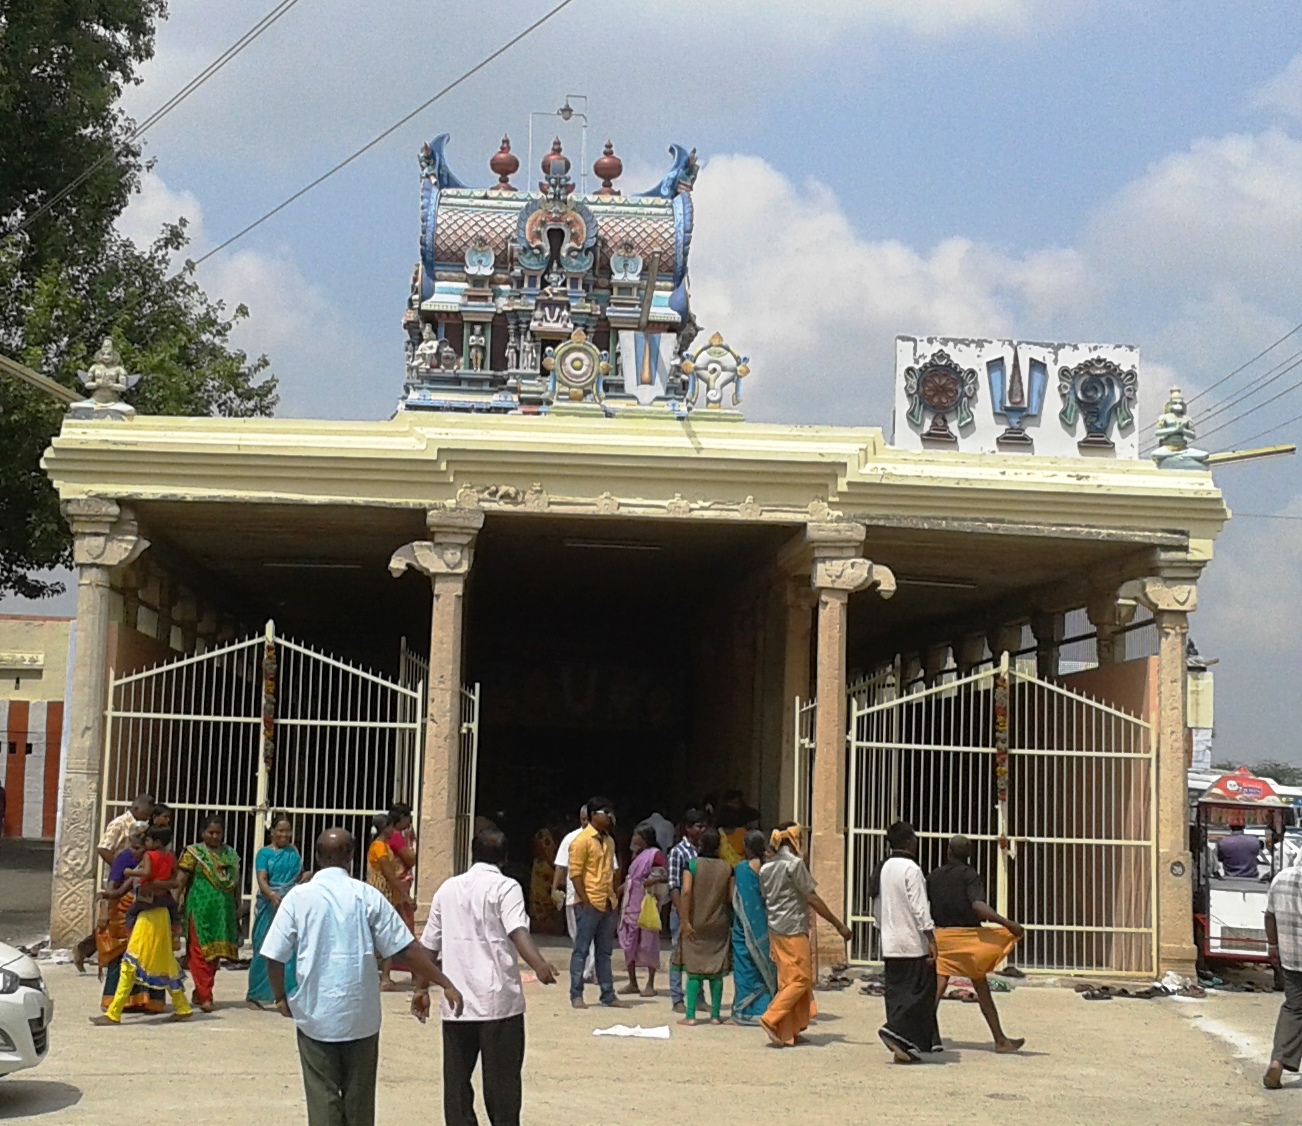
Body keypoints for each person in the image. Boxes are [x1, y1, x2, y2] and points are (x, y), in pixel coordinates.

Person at [262, 828, 463, 1126]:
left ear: (316, 857)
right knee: (359, 1100)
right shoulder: (367, 896)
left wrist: (281, 996)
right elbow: (406, 949)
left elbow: (274, 957)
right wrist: (445, 982)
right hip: (361, 1016)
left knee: (323, 1097)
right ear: (351, 857)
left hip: (316, 1016)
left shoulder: (298, 898)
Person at [414, 828, 557, 1125]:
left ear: (471, 853)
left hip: (456, 1005)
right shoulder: (506, 888)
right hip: (498, 1003)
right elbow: (517, 930)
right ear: (504, 858)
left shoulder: (447, 889)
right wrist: (539, 964)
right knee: (502, 1085)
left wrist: (421, 989)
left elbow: (428, 947)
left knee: (456, 1085)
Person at [926, 834, 1025, 1053]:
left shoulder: (934, 876)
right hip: (969, 939)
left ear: (948, 852)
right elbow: (978, 905)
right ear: (968, 856)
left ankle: (923, 1034)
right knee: (980, 986)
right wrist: (1006, 923)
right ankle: (1000, 1040)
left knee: (938, 988)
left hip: (943, 937)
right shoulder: (969, 875)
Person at [758, 823, 851, 1047]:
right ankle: (771, 1017)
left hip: (775, 930)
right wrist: (839, 925)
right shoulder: (795, 865)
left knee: (787, 980)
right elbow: (812, 898)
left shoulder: (766, 868)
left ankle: (788, 1031)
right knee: (801, 979)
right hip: (793, 930)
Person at [100, 826, 191, 1024]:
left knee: (130, 962)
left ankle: (113, 1013)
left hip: (148, 916)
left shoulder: (149, 859)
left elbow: (143, 880)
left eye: (144, 843)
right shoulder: (169, 857)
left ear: (153, 843)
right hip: (162, 914)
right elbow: (174, 883)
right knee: (167, 963)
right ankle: (182, 1007)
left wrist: (146, 882)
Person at [875, 821, 940, 1062]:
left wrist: (881, 929)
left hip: (891, 940)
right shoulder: (911, 869)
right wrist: (930, 937)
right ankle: (896, 1031)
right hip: (912, 942)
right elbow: (919, 907)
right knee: (921, 992)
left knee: (896, 992)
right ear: (909, 841)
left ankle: (902, 1044)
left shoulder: (885, 868)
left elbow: (879, 903)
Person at [76, 792, 155, 972]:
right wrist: (121, 867)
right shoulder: (119, 824)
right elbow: (103, 848)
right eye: (146, 812)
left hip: (135, 876)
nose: (147, 816)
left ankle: (91, 950)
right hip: (120, 878)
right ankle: (87, 949)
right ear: (135, 808)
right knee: (115, 920)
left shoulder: (143, 827)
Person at [96, 822, 164, 1015]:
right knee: (120, 956)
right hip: (123, 913)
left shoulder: (157, 859)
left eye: (137, 848)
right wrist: (104, 912)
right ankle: (114, 999)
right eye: (131, 846)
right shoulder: (124, 858)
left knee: (148, 955)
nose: (132, 852)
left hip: (150, 911)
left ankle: (149, 1000)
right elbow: (114, 889)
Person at [177, 816, 241, 1013]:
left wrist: (237, 907)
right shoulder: (193, 854)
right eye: (210, 832)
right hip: (199, 910)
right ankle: (206, 997)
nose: (214, 836)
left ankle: (201, 991)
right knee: (200, 952)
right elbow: (180, 881)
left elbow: (235, 884)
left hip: (222, 913)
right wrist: (173, 904)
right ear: (202, 833)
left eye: (218, 833)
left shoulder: (230, 854)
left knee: (215, 955)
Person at [567, 796, 625, 1009]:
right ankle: (576, 994)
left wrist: (614, 897)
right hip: (589, 903)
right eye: (604, 812)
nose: (609, 817)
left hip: (607, 901)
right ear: (593, 816)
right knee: (581, 950)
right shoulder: (581, 841)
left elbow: (612, 870)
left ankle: (607, 994)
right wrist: (584, 900)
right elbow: (575, 874)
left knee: (605, 952)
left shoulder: (609, 841)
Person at [675, 826, 734, 1026]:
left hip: (695, 922)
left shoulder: (692, 865)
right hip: (719, 922)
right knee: (715, 970)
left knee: (694, 970)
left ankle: (691, 1016)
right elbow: (730, 897)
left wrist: (685, 920)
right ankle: (715, 1015)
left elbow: (686, 892)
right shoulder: (727, 868)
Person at [248, 815, 304, 1009]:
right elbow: (262, 878)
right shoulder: (264, 854)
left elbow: (297, 875)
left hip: (289, 902)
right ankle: (256, 994)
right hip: (270, 904)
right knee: (264, 946)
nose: (284, 834)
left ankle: (288, 991)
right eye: (280, 830)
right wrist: (271, 894)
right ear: (272, 832)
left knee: (290, 947)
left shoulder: (293, 851)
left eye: (287, 830)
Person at [731, 828, 778, 1025]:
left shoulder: (741, 869)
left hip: (743, 928)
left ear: (746, 847)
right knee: (763, 967)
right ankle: (765, 1007)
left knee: (745, 968)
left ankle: (744, 1010)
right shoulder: (769, 868)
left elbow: (733, 896)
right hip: (764, 926)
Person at [1264, 853, 1302, 1088]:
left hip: (1291, 958)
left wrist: (1273, 945)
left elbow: (1270, 916)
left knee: (1293, 1008)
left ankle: (1278, 1061)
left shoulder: (1280, 879)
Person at [618, 824, 667, 997]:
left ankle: (650, 984)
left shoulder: (655, 855)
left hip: (647, 903)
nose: (633, 838)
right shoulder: (636, 855)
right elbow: (632, 878)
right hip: (631, 903)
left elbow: (664, 875)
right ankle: (632, 982)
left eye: (636, 835)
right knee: (629, 941)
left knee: (649, 942)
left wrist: (651, 882)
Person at [367, 813, 415, 989]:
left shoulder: (384, 846)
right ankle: (385, 977)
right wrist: (406, 897)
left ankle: (388, 975)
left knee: (391, 935)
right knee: (387, 935)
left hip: (388, 895)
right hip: (382, 895)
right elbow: (389, 875)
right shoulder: (379, 847)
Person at [668, 808, 708, 1013]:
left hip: (698, 911)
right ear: (688, 829)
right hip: (681, 911)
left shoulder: (702, 851)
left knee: (698, 954)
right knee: (678, 954)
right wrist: (682, 914)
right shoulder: (678, 852)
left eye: (704, 826)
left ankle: (699, 997)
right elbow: (674, 886)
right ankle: (677, 998)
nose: (702, 830)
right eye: (699, 827)